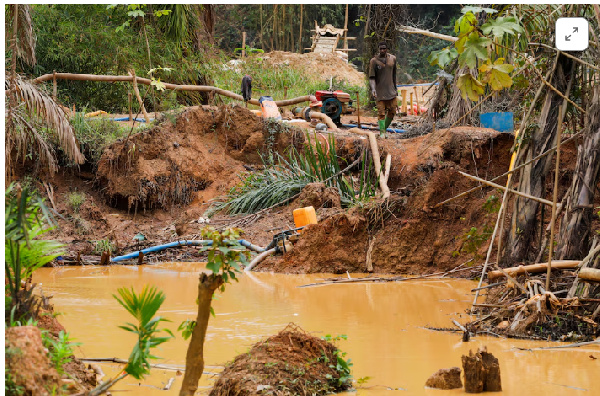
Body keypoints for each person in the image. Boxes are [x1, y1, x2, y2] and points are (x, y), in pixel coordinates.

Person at [369, 42, 397, 138]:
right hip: (380, 92)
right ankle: (382, 133)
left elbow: (394, 75)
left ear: (387, 49)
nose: (382, 50)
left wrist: (396, 88)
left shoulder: (393, 59)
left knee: (393, 111)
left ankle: (384, 129)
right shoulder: (374, 61)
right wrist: (373, 89)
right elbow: (372, 78)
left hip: (391, 91)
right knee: (381, 113)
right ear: (378, 49)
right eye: (380, 49)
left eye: (384, 48)